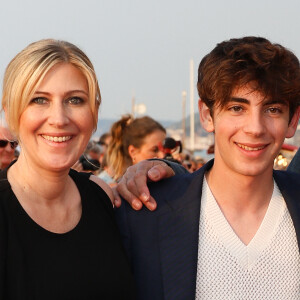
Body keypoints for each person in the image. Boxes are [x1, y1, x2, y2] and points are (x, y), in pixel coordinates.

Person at [115, 36, 300, 299]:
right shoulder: (143, 216)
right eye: (237, 108)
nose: (255, 128)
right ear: (206, 115)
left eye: (272, 110)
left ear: (292, 121)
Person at [0, 39, 135, 299]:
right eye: (39, 100)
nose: (59, 119)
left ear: (94, 112)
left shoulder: (101, 197)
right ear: (11, 113)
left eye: (75, 100)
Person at [106, 114, 166, 181]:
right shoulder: (118, 189)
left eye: (164, 149)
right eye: (155, 150)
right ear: (133, 152)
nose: (162, 155)